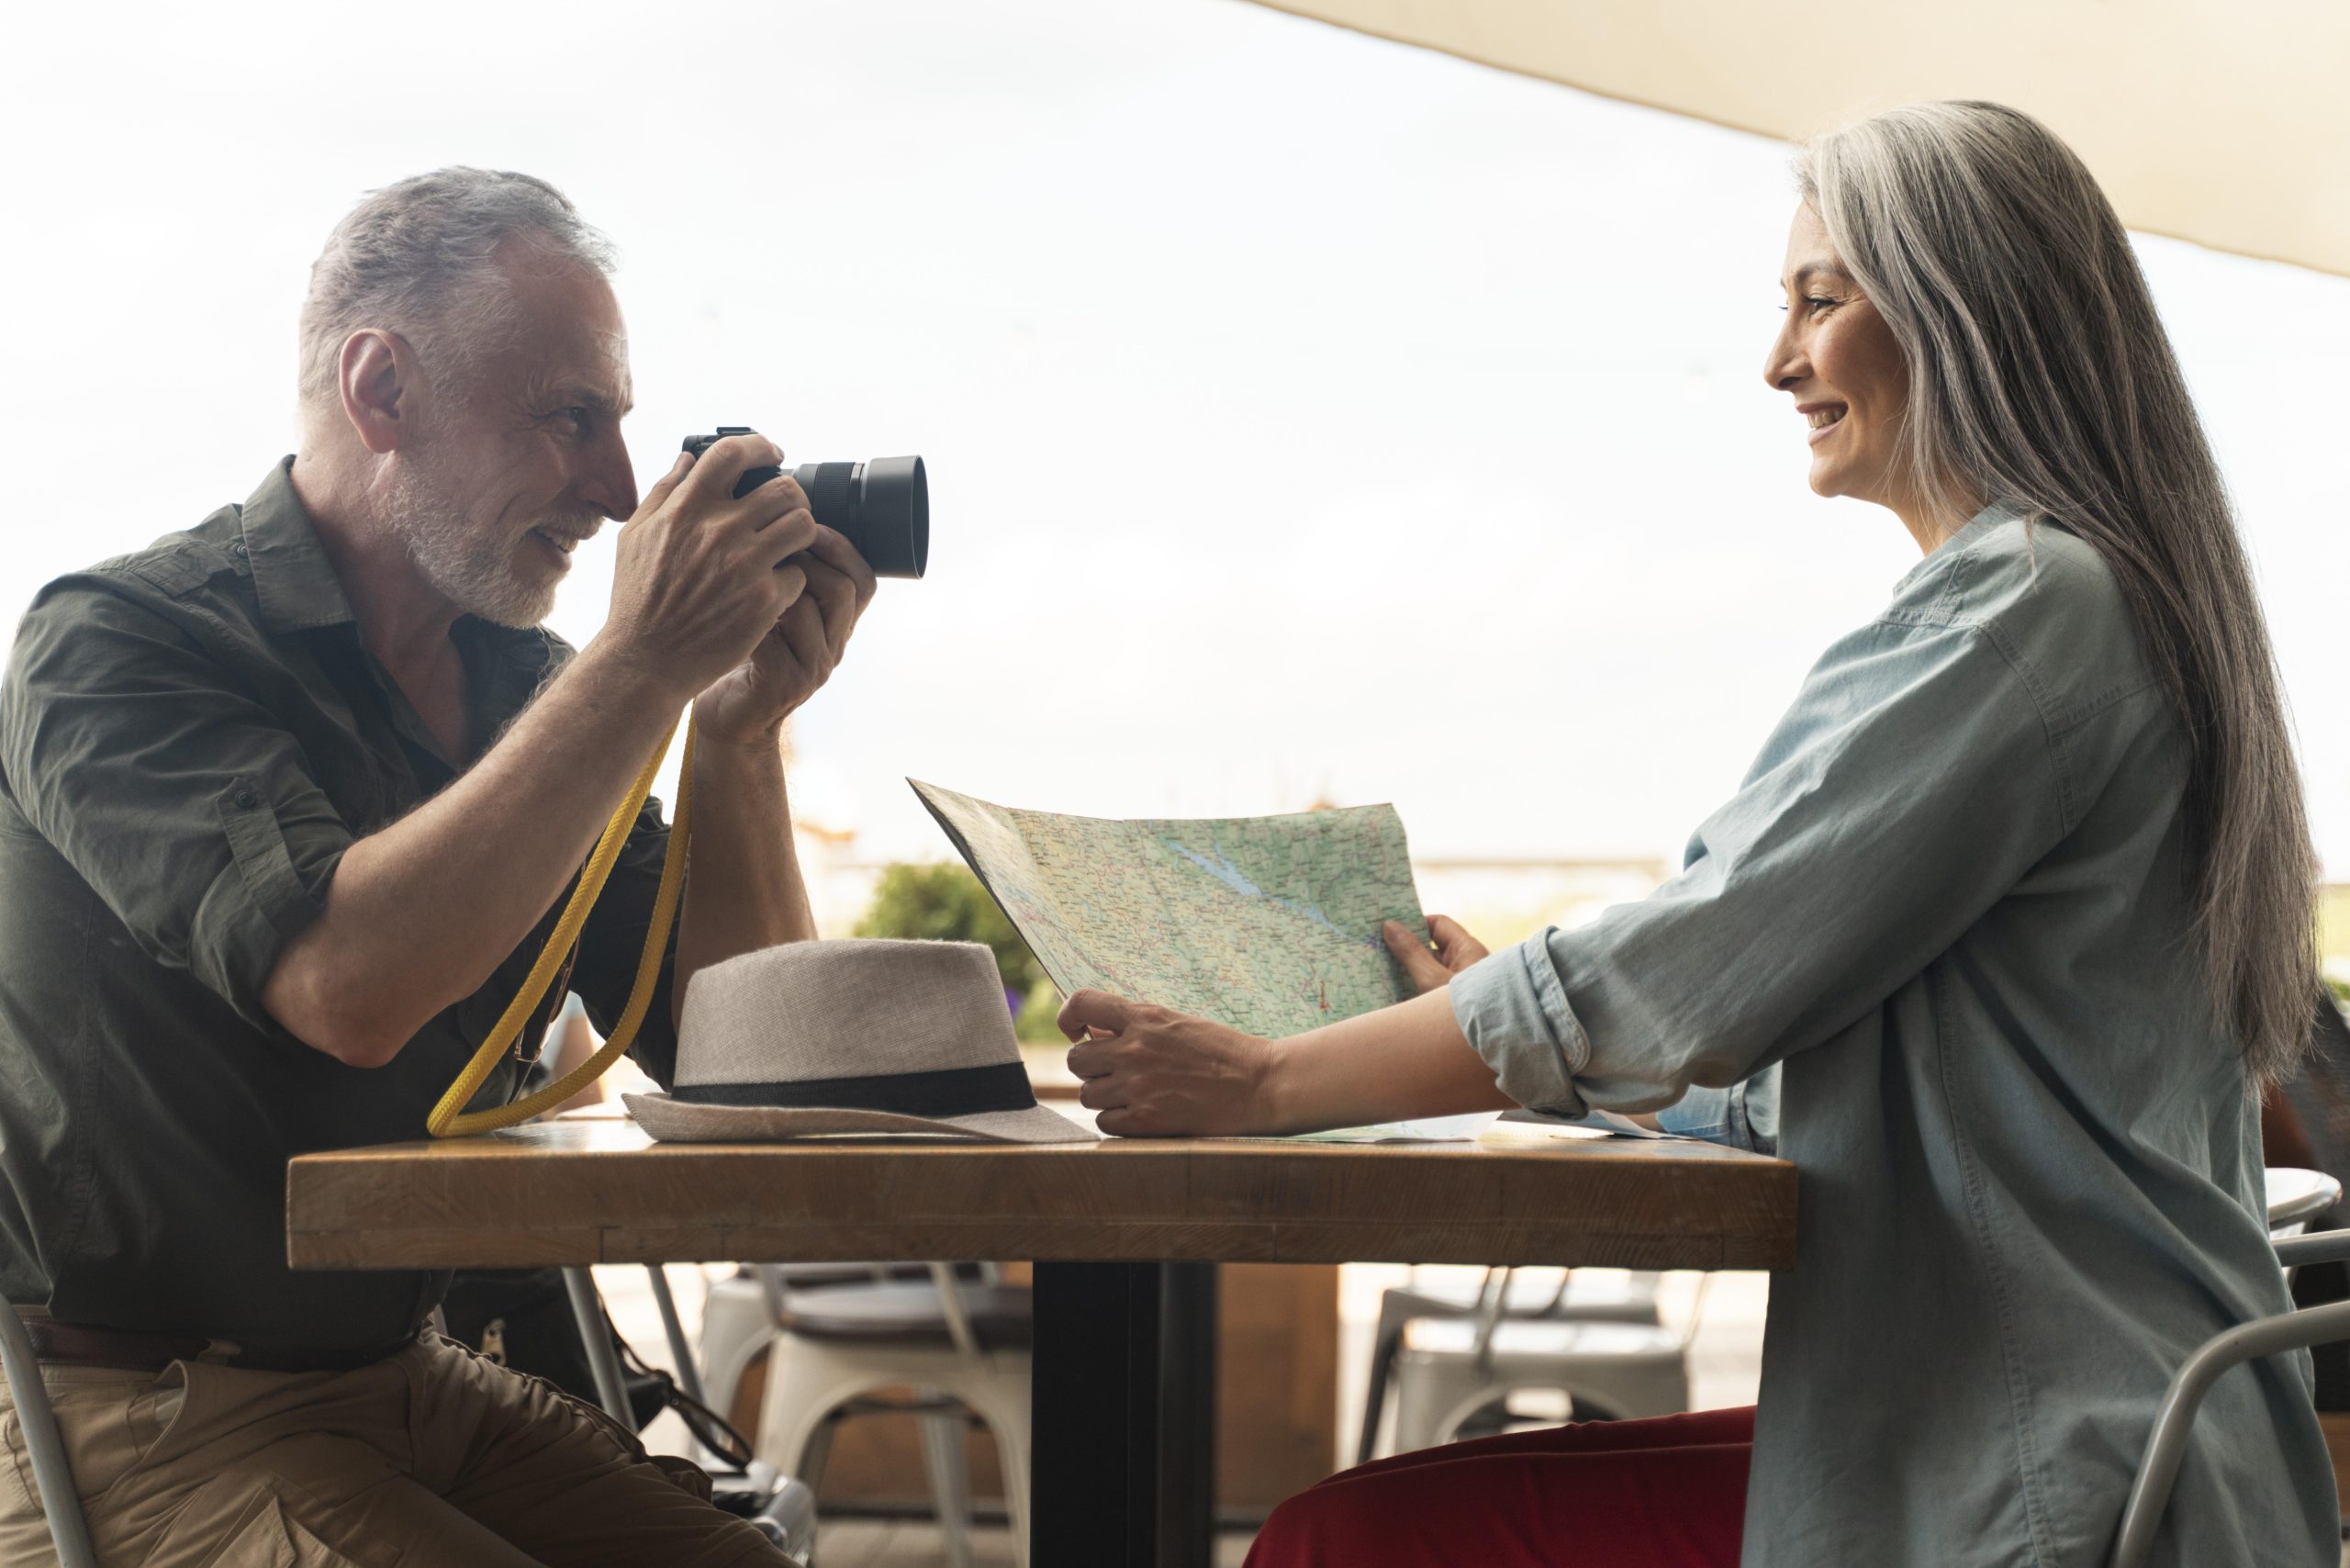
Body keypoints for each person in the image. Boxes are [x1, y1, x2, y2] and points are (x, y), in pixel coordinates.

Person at [1057, 102, 2338, 1567]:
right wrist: (1524, 1057)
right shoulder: (2111, 610)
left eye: (1820, 298)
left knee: (1345, 1547)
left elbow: (1692, 967)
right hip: (2098, 1433)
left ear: (1962, 305)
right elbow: (1825, 1087)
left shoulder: (2025, 615)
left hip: (2038, 1469)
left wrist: (1270, 1080)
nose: (1781, 360)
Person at [0, 169, 867, 1564]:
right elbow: (350, 985)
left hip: (407, 1378)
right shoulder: (117, 644)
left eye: (621, 427)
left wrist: (734, 732)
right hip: (135, 1417)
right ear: (381, 391)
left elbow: (752, 1061)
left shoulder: (529, 692)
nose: (619, 488)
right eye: (569, 418)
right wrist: (638, 665)